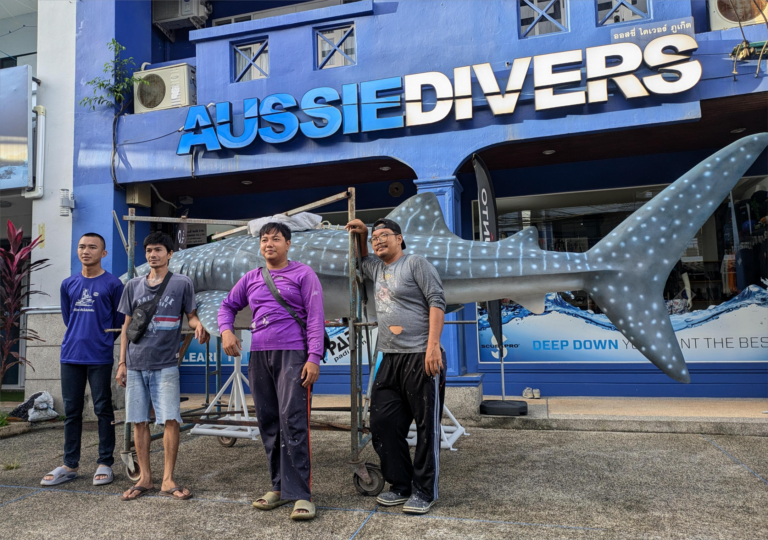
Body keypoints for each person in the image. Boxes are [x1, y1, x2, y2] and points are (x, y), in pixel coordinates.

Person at [219, 222, 324, 521]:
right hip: (259, 355)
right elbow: (227, 306)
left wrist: (314, 357)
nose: (269, 244)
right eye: (264, 240)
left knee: (293, 422)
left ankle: (302, 494)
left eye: (276, 239)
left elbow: (316, 318)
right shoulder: (251, 277)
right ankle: (278, 488)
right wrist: (226, 331)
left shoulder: (304, 274)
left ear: (288, 244)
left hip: (293, 354)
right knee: (268, 422)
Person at [345, 217, 446, 515]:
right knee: (383, 424)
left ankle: (425, 491)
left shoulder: (416, 263)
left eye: (384, 235)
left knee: (427, 428)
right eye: (375, 237)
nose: (379, 241)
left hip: (421, 355)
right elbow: (360, 260)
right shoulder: (377, 268)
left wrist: (432, 346)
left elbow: (437, 300)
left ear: (400, 239)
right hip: (388, 358)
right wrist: (362, 235)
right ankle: (400, 485)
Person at [116, 231, 209, 501]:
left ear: (170, 254)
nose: (152, 255)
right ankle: (145, 478)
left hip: (166, 364)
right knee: (139, 421)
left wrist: (199, 324)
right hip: (134, 364)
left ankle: (168, 479)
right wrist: (121, 363)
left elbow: (190, 317)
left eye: (158, 250)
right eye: (148, 251)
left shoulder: (182, 283)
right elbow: (126, 327)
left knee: (170, 419)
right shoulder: (133, 285)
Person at [41, 233, 124, 487]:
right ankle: (69, 465)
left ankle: (105, 463)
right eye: (81, 246)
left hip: (99, 355)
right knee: (72, 412)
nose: (85, 251)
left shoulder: (113, 284)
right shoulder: (68, 283)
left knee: (102, 409)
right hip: (70, 355)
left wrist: (101, 340)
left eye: (92, 247)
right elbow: (69, 318)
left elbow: (119, 323)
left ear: (104, 253)